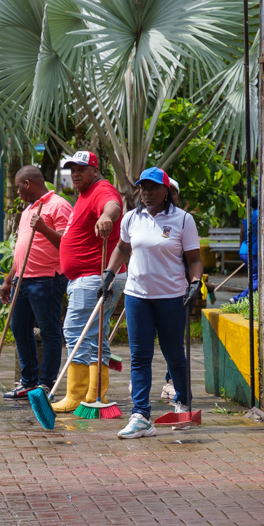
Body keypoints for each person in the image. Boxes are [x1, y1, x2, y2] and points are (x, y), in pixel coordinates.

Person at [102, 167, 203, 438]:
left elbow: (193, 259)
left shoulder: (183, 220)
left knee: (174, 355)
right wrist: (109, 273)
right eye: (143, 188)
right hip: (137, 297)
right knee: (140, 357)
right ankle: (141, 415)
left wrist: (195, 284)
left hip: (171, 297)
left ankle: (183, 404)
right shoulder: (131, 218)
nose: (147, 193)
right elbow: (123, 248)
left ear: (166, 191)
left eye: (153, 188)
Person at [54, 150, 123, 413]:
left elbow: (112, 205)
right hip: (85, 278)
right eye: (72, 169)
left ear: (95, 170)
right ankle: (94, 395)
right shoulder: (83, 196)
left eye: (81, 169)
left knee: (74, 331)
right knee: (94, 337)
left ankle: (75, 395)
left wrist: (107, 217)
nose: (75, 173)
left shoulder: (102, 189)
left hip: (95, 276)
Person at [0, 166, 73, 399]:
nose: (16, 192)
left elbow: (66, 244)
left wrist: (43, 227)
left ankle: (46, 384)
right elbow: (21, 249)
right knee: (19, 327)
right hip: (22, 279)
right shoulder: (27, 209)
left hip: (47, 279)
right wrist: (8, 279)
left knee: (50, 331)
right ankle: (29, 381)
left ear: (27, 183)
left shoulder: (59, 205)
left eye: (17, 187)